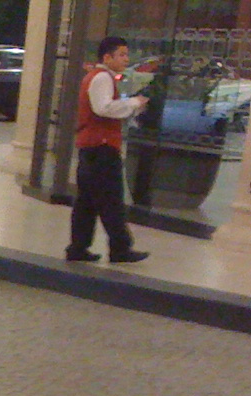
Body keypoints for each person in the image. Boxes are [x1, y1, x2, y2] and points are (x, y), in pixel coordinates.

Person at [66, 36, 150, 264]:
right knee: (111, 201)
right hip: (102, 148)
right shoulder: (102, 77)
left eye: (126, 54)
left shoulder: (95, 76)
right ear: (107, 57)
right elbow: (103, 108)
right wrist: (133, 103)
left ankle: (78, 247)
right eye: (121, 54)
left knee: (87, 202)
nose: (126, 59)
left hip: (90, 147)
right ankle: (120, 248)